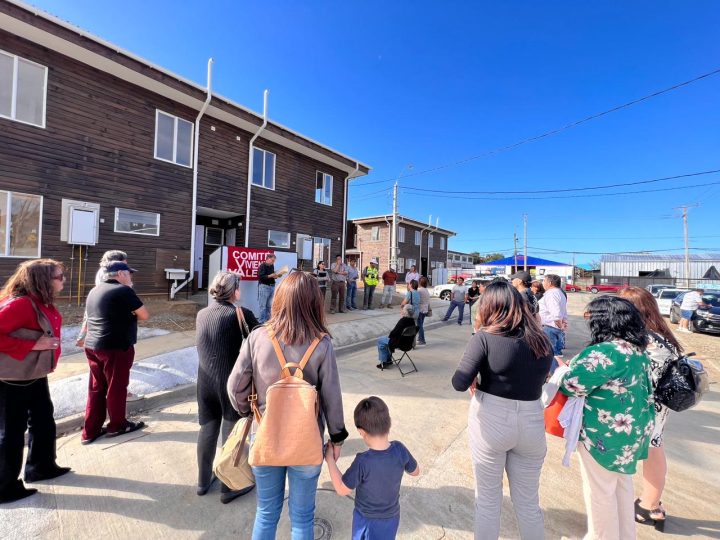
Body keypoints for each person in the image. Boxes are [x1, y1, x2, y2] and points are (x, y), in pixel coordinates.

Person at [227, 271, 348, 539]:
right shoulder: (322, 343)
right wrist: (337, 438)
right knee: (303, 518)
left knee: (266, 513)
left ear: (279, 299)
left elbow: (234, 386)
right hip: (307, 440)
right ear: (314, 302)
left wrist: (249, 411)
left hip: (265, 435)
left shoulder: (258, 337)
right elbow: (332, 396)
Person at [451, 280, 553, 539]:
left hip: (492, 419)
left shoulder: (484, 338)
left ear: (488, 307)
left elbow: (459, 382)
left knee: (487, 501)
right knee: (529, 505)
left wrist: (476, 375)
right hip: (531, 420)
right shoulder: (542, 340)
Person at [559, 296, 654, 540]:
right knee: (622, 489)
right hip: (633, 433)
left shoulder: (604, 352)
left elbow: (572, 385)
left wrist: (562, 368)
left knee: (599, 493)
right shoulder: (637, 350)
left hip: (604, 435)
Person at [0, 260, 71, 504]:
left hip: (34, 374)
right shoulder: (21, 304)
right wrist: (32, 344)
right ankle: (4, 486)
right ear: (42, 280)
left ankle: (41, 467)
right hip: (12, 379)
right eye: (59, 276)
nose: (63, 279)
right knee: (11, 432)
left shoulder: (39, 301)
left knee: (43, 422)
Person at [619, 287, 683, 530]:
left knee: (648, 451)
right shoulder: (661, 336)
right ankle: (652, 502)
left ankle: (650, 505)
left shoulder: (643, 340)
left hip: (644, 405)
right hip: (657, 406)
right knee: (655, 449)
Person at [195, 271, 259, 503]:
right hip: (229, 382)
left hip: (204, 382)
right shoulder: (240, 314)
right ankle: (228, 487)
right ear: (235, 291)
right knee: (232, 435)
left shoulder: (202, 314)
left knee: (207, 430)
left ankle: (203, 482)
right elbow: (261, 339)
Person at [324, 396, 420, 539]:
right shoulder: (400, 449)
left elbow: (341, 488)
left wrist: (330, 459)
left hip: (366, 521)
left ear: (361, 431)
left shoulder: (363, 462)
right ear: (389, 423)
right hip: (392, 518)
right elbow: (416, 471)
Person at [81, 261, 149, 444]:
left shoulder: (94, 290)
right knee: (116, 387)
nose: (131, 277)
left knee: (96, 388)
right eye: (129, 273)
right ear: (120, 273)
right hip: (115, 346)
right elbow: (144, 314)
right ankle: (117, 425)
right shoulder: (124, 291)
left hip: (92, 345)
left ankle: (90, 431)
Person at [538, 274, 567, 373]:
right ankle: (554, 374)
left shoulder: (551, 294)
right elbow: (563, 312)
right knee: (554, 353)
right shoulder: (559, 292)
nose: (543, 283)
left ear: (550, 283)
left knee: (550, 354)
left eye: (544, 281)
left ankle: (553, 376)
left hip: (550, 327)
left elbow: (556, 314)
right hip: (554, 327)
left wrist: (560, 327)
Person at [376, 305, 417, 369]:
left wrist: (389, 338)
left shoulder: (403, 320)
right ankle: (388, 360)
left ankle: (384, 362)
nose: (402, 310)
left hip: (400, 343)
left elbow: (393, 333)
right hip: (408, 344)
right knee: (386, 341)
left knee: (380, 340)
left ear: (405, 312)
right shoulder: (412, 321)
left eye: (403, 309)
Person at [257, 254, 286, 324]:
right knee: (263, 306)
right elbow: (261, 277)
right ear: (268, 258)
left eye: (274, 261)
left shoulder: (271, 266)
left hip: (272, 286)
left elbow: (271, 276)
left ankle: (268, 321)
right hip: (264, 287)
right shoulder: (262, 266)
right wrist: (271, 275)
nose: (273, 262)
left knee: (269, 306)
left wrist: (277, 275)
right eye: (272, 260)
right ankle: (262, 322)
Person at [416, 277, 431, 345]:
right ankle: (419, 338)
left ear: (420, 282)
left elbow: (416, 299)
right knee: (421, 324)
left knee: (419, 326)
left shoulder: (419, 290)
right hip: (425, 310)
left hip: (420, 310)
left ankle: (422, 340)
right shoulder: (426, 290)